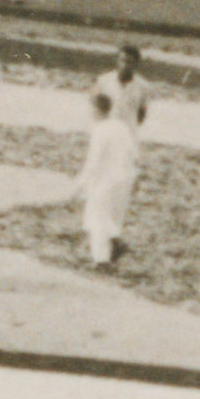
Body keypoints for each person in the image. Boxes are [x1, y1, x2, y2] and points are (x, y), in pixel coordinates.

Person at [72, 86, 140, 269]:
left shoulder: (100, 130)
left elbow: (94, 161)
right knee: (112, 216)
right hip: (124, 178)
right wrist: (134, 176)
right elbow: (134, 154)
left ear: (96, 110)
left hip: (105, 179)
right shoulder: (121, 126)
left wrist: (81, 183)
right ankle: (113, 245)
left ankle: (102, 259)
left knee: (98, 218)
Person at [95, 43, 151, 132]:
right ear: (117, 61)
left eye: (129, 62)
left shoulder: (143, 87)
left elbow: (141, 115)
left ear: (136, 64)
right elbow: (97, 110)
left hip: (128, 133)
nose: (125, 65)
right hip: (106, 131)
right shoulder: (104, 81)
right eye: (122, 61)